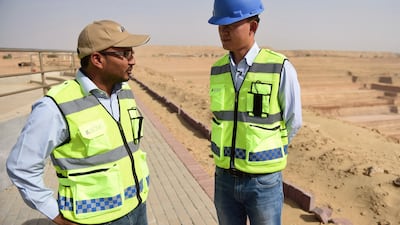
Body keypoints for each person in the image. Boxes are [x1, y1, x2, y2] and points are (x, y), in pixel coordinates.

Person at [6, 20, 151, 225]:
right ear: (97, 59)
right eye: (125, 53)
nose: (133, 61)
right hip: (94, 220)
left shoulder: (125, 92)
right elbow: (21, 167)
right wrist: (55, 214)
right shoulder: (55, 106)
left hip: (138, 208)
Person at [208, 0, 302, 224]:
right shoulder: (217, 69)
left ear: (252, 27)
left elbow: (293, 121)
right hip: (224, 179)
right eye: (220, 26)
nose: (223, 31)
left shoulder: (279, 67)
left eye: (230, 25)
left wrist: (265, 154)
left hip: (263, 183)